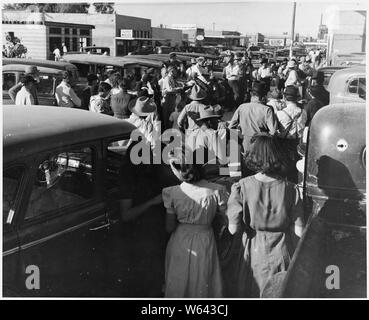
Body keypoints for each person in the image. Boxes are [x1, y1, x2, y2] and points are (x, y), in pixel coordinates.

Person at [226, 134, 305, 297]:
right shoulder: (291, 189)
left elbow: (233, 229)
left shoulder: (242, 187)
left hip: (254, 250)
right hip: (282, 250)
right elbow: (299, 231)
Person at [162, 156, 228, 297]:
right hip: (205, 238)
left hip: (180, 239)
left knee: (179, 278)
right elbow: (226, 217)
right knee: (203, 276)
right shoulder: (216, 190)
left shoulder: (172, 193)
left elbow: (169, 227)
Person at [229, 81, 278, 154]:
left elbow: (231, 127)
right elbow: (273, 131)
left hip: (245, 143)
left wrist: (240, 139)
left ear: (251, 95)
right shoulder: (267, 110)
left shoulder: (241, 107)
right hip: (261, 144)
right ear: (263, 97)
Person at [276, 86, 307, 182]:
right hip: (297, 143)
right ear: (297, 97)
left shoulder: (279, 113)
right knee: (295, 170)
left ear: (285, 98)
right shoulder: (303, 112)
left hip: (283, 143)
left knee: (283, 169)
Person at [161, 66, 184, 130]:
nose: (174, 72)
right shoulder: (167, 78)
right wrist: (178, 89)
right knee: (167, 114)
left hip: (172, 98)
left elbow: (175, 86)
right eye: (173, 71)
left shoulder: (171, 78)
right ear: (170, 71)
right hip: (167, 98)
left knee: (171, 113)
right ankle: (166, 129)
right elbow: (169, 89)